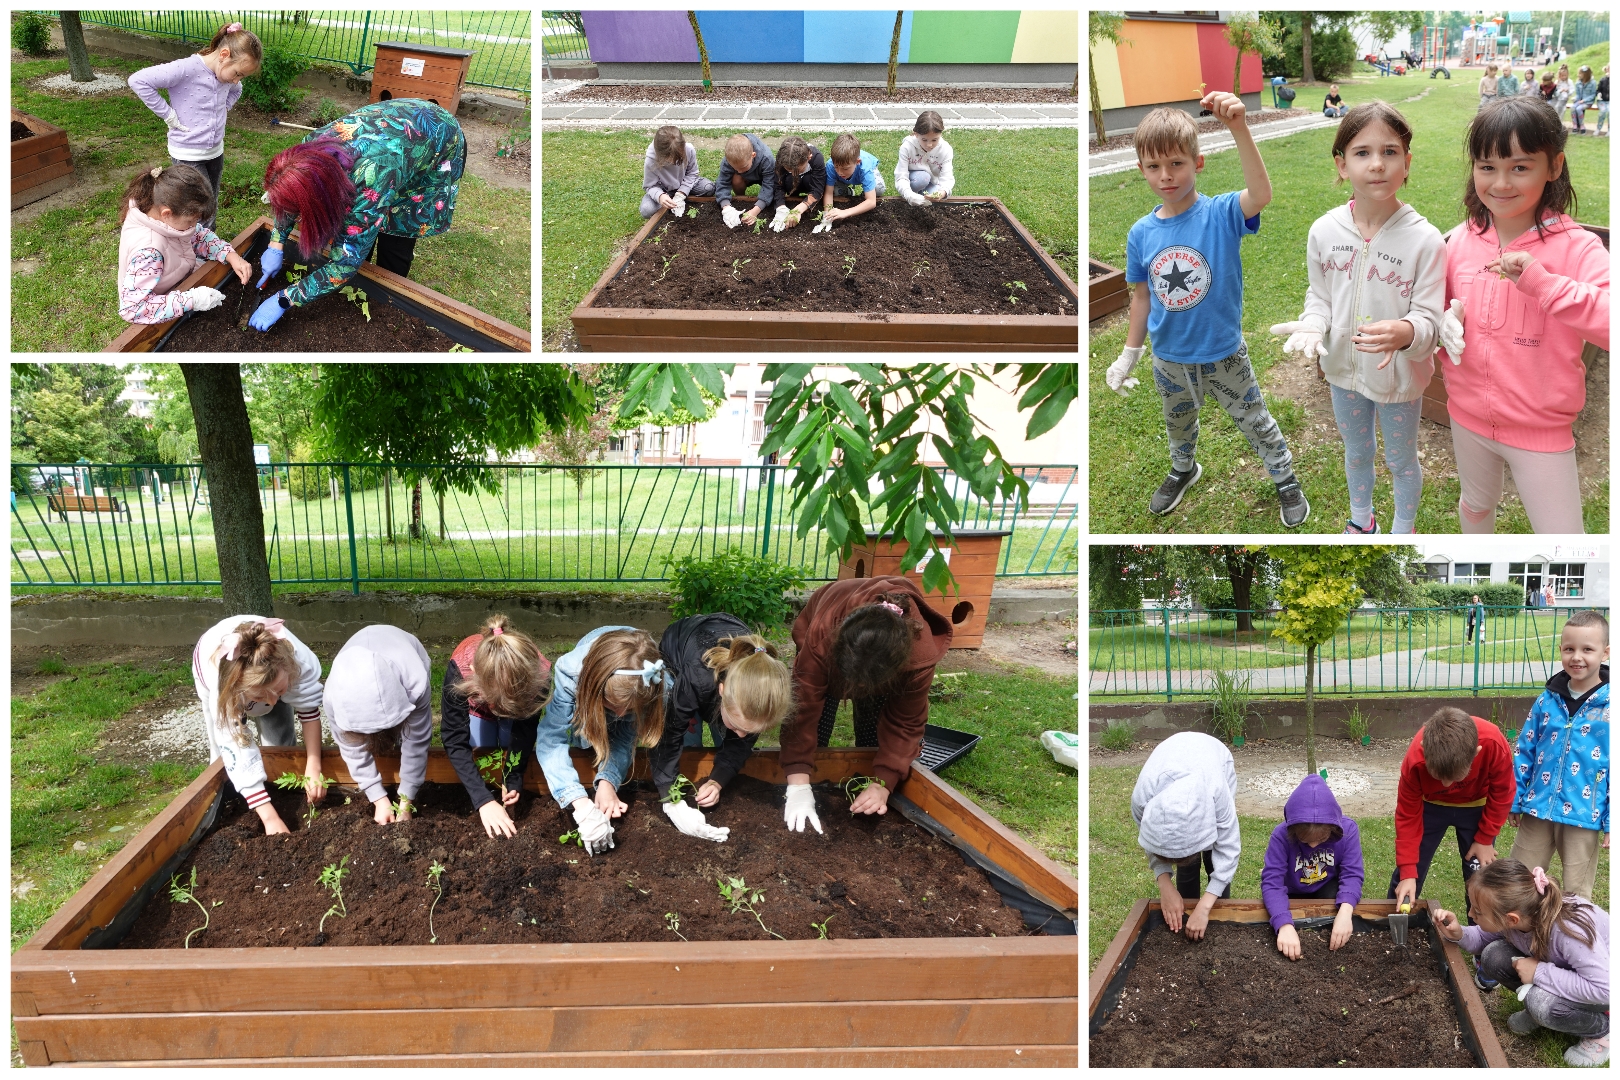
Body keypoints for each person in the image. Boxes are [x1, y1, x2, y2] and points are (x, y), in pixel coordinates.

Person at [1106, 96, 1310, 527]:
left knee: (1255, 420)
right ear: (1140, 169)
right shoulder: (1140, 233)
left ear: (1198, 162)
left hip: (1223, 354)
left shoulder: (1221, 213)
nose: (1166, 176)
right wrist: (1130, 354)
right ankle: (1184, 469)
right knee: (1177, 424)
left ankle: (1284, 476)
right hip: (1169, 361)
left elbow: (1261, 193)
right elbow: (1141, 297)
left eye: (1177, 163)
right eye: (1153, 166)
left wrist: (1238, 127)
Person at [1269, 103, 1444, 535]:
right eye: (1362, 152)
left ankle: (1404, 529)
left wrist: (1407, 333)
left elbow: (1430, 320)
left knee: (1401, 460)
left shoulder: (1426, 240)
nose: (1378, 164)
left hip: (1398, 380)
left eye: (1390, 151)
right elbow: (1321, 295)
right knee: (1357, 451)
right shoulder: (1323, 231)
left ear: (1407, 162)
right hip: (1343, 375)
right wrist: (1313, 322)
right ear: (1341, 164)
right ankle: (1361, 522)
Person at [1436, 97, 1609, 533]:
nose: (1501, 183)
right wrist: (1436, 323)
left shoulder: (1578, 247)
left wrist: (1543, 284)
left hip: (1541, 433)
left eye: (1520, 167)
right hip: (1466, 416)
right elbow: (1425, 310)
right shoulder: (1457, 242)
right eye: (1486, 166)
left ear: (1554, 166)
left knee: (1564, 540)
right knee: (1475, 507)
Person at [249, 99, 466, 331]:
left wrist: (285, 299)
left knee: (398, 227)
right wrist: (276, 243)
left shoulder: (370, 178)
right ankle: (367, 266)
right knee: (361, 231)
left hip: (436, 139)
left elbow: (344, 262)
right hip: (393, 131)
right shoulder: (304, 154)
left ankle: (385, 295)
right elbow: (293, 200)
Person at [777, 577, 952, 833]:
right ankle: (811, 782)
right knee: (820, 722)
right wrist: (798, 782)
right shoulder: (823, 634)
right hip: (827, 622)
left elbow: (906, 723)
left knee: (872, 732)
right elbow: (803, 708)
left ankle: (865, 786)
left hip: (883, 663)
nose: (856, 691)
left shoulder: (918, 659)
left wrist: (883, 782)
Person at [1434, 860, 1609, 1066]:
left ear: (1512, 920)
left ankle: (1602, 1031)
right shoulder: (1522, 912)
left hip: (1605, 989)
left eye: (1478, 912)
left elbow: (1605, 989)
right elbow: (1482, 939)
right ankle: (1542, 1009)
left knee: (1540, 1003)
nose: (1471, 914)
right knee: (1493, 956)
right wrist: (1459, 933)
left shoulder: (1570, 932)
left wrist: (1539, 972)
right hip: (1573, 976)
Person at [649, 614, 792, 842]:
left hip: (718, 668)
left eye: (752, 731)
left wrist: (717, 780)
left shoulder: (761, 693)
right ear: (723, 691)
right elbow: (668, 736)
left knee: (729, 733)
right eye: (739, 725)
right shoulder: (696, 680)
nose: (744, 735)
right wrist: (670, 798)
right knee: (686, 733)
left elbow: (739, 743)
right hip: (678, 646)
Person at [536, 627, 667, 856]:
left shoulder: (654, 685)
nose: (618, 715)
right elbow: (551, 739)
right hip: (588, 686)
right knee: (585, 739)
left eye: (628, 710)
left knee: (623, 727)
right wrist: (580, 803)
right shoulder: (572, 674)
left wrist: (608, 781)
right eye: (612, 707)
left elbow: (627, 734)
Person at [191, 615, 326, 835]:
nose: (273, 702)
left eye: (280, 692)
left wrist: (314, 766)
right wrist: (270, 818)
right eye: (262, 696)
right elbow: (234, 744)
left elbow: (308, 709)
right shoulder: (222, 686)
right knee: (221, 755)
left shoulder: (298, 663)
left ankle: (275, 787)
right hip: (211, 662)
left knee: (279, 743)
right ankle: (229, 800)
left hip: (268, 675)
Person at [1507, 610, 1609, 902]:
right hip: (1538, 808)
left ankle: (1573, 945)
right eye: (1569, 649)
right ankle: (1508, 938)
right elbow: (1525, 750)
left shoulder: (1610, 707)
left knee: (1576, 894)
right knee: (1519, 882)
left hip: (1583, 815)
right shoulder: (1546, 700)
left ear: (1605, 652)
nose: (1577, 657)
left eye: (1587, 649)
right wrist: (1516, 799)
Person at [128, 22, 262, 231]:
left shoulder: (229, 80)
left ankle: (208, 245)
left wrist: (225, 107)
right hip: (188, 153)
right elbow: (139, 81)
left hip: (215, 151)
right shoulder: (186, 69)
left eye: (241, 76)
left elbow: (237, 90)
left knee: (211, 202)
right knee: (198, 207)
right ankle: (199, 251)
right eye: (237, 73)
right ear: (224, 55)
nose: (237, 81)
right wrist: (169, 115)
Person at [1390, 706, 1517, 921]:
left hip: (1476, 806)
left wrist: (1485, 838)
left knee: (1478, 873)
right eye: (1438, 776)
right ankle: (1393, 924)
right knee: (1409, 872)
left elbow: (1503, 792)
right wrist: (1408, 871)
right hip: (1430, 806)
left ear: (1476, 752)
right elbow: (1407, 815)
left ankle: (1481, 938)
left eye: (1454, 778)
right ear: (1424, 749)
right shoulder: (1415, 758)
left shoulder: (1493, 743)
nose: (1447, 784)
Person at [439, 615, 552, 839]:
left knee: (509, 737)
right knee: (483, 747)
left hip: (520, 707)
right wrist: (483, 800)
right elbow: (454, 738)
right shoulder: (460, 672)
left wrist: (514, 775)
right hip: (478, 707)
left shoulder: (539, 678)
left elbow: (525, 730)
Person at [1131, 731, 1239, 941]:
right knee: (1187, 866)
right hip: (1171, 753)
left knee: (1212, 856)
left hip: (1213, 756)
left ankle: (1213, 914)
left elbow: (1228, 849)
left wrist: (1205, 907)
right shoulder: (1143, 800)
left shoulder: (1217, 791)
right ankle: (1185, 909)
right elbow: (1151, 841)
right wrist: (1164, 884)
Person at [324, 625, 434, 825]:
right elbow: (351, 749)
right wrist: (378, 799)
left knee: (405, 742)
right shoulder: (334, 697)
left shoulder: (415, 682)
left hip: (406, 650)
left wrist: (405, 802)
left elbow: (417, 741)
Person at [116, 164, 252, 323]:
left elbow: (199, 236)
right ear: (167, 213)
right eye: (191, 221)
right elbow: (133, 309)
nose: (195, 226)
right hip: (163, 305)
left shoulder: (160, 215)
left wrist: (230, 255)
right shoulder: (149, 253)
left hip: (179, 278)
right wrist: (191, 300)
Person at [1261, 773, 1365, 959]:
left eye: (1322, 839)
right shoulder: (1280, 836)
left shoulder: (1349, 831)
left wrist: (1346, 910)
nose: (1313, 846)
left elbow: (1352, 874)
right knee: (1276, 909)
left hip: (1327, 887)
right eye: (1305, 840)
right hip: (1291, 889)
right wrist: (1284, 925)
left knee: (1335, 910)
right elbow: (1272, 884)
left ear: (1333, 829)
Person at [640, 125, 714, 220]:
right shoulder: (651, 160)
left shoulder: (689, 150)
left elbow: (692, 174)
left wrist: (681, 193)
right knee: (647, 210)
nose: (673, 163)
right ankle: (671, 201)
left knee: (709, 188)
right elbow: (650, 186)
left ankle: (682, 198)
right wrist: (660, 196)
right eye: (670, 160)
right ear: (660, 155)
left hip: (685, 184)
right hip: (664, 190)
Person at [814, 132, 883, 232]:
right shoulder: (830, 166)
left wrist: (845, 212)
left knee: (878, 189)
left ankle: (866, 191)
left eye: (845, 168)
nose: (839, 172)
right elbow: (828, 193)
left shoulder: (865, 168)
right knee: (835, 192)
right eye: (836, 167)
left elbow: (872, 202)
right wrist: (827, 215)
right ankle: (849, 191)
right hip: (845, 179)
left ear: (857, 162)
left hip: (863, 173)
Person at [714, 133, 776, 231]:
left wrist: (756, 210)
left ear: (753, 155)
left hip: (763, 176)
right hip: (745, 179)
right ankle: (741, 198)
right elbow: (722, 182)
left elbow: (770, 185)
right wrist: (725, 206)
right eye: (735, 168)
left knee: (773, 190)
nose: (739, 171)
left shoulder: (767, 159)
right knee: (736, 178)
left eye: (742, 167)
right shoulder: (729, 160)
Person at [894, 110, 955, 206]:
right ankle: (912, 197)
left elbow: (947, 177)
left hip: (932, 183)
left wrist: (942, 192)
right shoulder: (907, 147)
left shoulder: (946, 150)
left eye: (935, 140)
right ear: (916, 134)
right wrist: (909, 195)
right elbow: (901, 177)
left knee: (933, 199)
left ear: (941, 134)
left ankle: (922, 198)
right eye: (924, 139)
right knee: (922, 178)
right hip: (914, 180)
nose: (929, 144)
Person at [768, 136, 825, 232]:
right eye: (789, 170)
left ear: (809, 157)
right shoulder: (782, 159)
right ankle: (793, 194)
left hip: (809, 182)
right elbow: (778, 185)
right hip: (790, 185)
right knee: (790, 179)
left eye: (798, 170)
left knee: (807, 179)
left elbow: (817, 189)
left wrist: (798, 210)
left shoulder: (816, 158)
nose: (794, 173)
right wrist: (780, 206)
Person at [1569, 66, 1598, 134]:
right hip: (1579, 101)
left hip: (1588, 102)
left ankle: (1582, 126)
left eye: (1580, 73)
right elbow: (1578, 94)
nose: (1578, 75)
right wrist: (1575, 98)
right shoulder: (1578, 83)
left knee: (1579, 109)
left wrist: (1584, 100)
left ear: (1585, 75)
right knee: (1573, 108)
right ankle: (1575, 125)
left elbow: (1593, 95)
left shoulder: (1593, 83)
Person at [1596, 66, 1611, 136]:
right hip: (1602, 101)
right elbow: (1598, 90)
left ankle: (1610, 130)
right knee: (1603, 112)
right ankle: (1598, 128)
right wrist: (1599, 94)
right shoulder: (1603, 80)